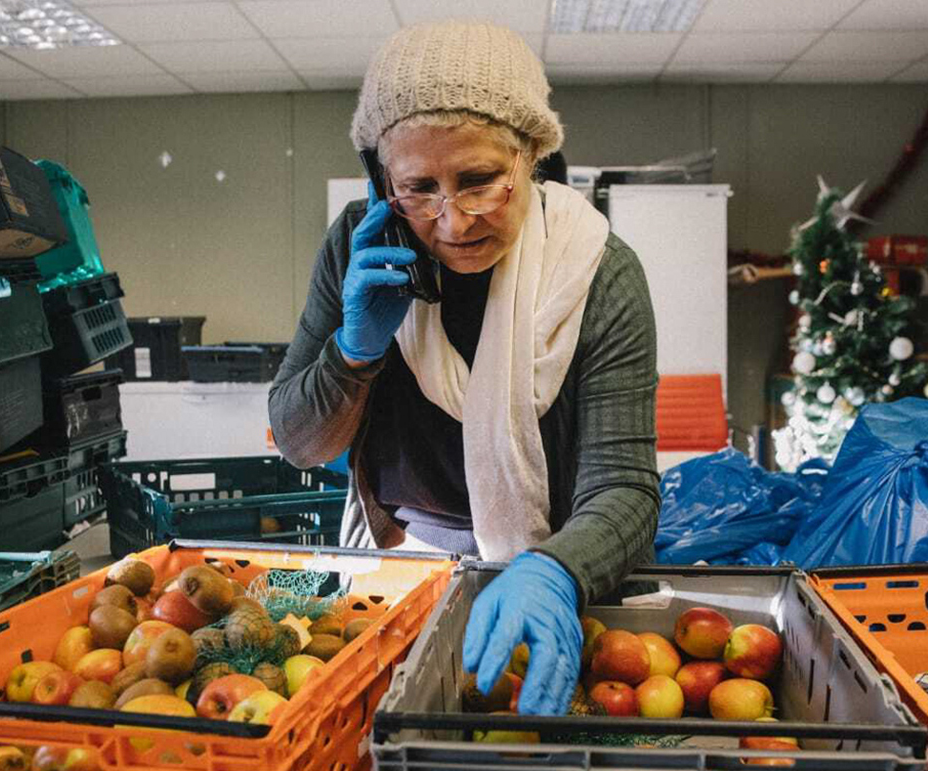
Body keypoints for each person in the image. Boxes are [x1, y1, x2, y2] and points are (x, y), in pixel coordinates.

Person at [268, 21, 659, 716]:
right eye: (419, 188)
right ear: (381, 180)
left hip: (551, 561)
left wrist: (556, 570)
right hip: (400, 559)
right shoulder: (356, 249)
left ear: (531, 154)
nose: (452, 222)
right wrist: (353, 351)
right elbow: (301, 442)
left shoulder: (598, 270)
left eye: (479, 181)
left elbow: (624, 488)